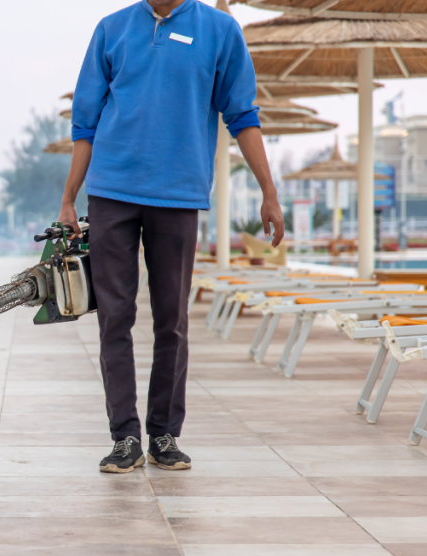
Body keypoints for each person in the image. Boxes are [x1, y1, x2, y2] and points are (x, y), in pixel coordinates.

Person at [58, 0, 283, 474]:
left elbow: (242, 115)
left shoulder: (220, 31)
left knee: (171, 321)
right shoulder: (112, 29)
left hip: (178, 195)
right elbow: (85, 122)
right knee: (114, 320)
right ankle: (124, 437)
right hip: (112, 193)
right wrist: (68, 199)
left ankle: (163, 433)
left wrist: (268, 189)